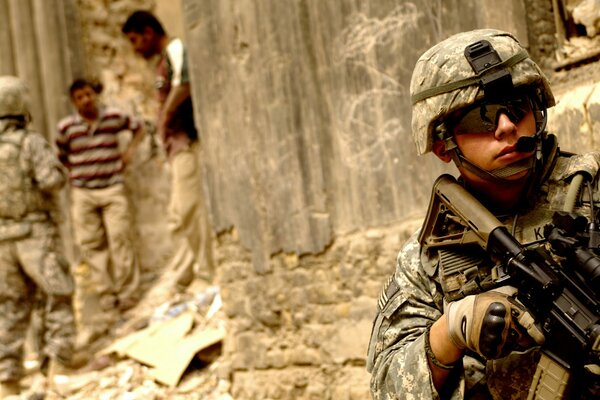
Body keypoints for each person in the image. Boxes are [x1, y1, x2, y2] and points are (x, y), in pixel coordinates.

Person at [367, 29, 600, 399]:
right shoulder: (430, 256)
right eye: (483, 117)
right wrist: (452, 331)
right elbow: (385, 387)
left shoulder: (591, 191)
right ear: (443, 145)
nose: (507, 126)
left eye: (518, 106)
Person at [122, 10, 215, 291]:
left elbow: (184, 84)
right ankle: (188, 273)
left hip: (186, 141)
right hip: (174, 147)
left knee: (189, 209)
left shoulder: (175, 48)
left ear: (149, 33)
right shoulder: (161, 63)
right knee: (177, 214)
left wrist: (164, 116)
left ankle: (208, 273)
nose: (135, 48)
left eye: (135, 40)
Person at [0, 76, 75, 397]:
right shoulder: (29, 143)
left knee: (10, 307)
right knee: (57, 295)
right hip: (35, 235)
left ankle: (7, 378)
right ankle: (56, 366)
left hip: (2, 240)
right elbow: (50, 180)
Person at [56, 78, 143, 345]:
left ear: (95, 94)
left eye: (89, 95)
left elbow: (138, 128)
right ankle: (107, 297)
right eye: (80, 97)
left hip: (112, 187)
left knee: (120, 238)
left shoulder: (114, 117)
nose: (86, 100)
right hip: (83, 192)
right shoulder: (67, 128)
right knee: (92, 246)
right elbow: (61, 156)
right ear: (74, 102)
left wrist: (128, 153)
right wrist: (76, 174)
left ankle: (128, 294)